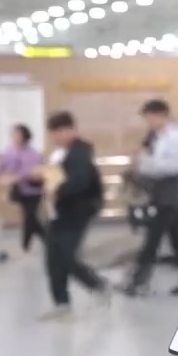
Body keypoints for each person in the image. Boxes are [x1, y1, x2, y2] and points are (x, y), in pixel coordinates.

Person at [125, 99, 178, 296]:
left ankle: (137, 282)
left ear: (162, 115)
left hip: (169, 196)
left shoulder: (173, 136)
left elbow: (174, 166)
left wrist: (145, 162)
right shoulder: (154, 136)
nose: (148, 122)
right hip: (163, 196)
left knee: (152, 241)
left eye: (150, 117)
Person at [39, 111, 108, 318]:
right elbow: (54, 177)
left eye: (58, 132)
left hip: (77, 210)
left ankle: (98, 286)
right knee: (53, 257)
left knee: (67, 255)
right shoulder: (59, 153)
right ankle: (61, 303)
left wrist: (57, 190)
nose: (54, 137)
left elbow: (79, 182)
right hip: (59, 210)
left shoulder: (80, 152)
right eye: (52, 133)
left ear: (69, 130)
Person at [0, 124, 45, 253]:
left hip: (34, 190)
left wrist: (15, 177)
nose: (14, 137)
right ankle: (45, 240)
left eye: (17, 134)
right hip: (20, 190)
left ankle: (27, 244)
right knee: (29, 217)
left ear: (24, 136)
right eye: (13, 134)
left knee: (30, 217)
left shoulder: (32, 153)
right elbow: (1, 164)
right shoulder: (10, 151)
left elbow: (30, 171)